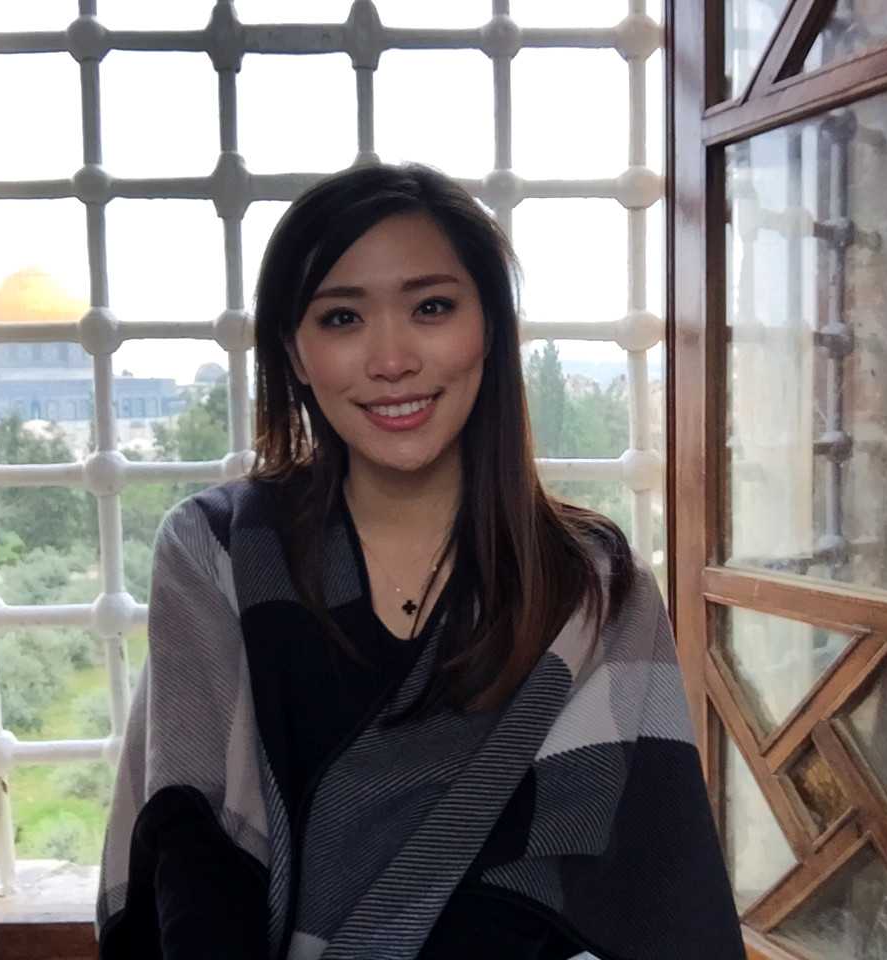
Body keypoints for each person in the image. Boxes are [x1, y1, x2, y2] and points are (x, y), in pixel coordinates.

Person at [97, 163, 744, 960]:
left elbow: (597, 873)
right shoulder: (220, 549)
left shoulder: (591, 586)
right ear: (294, 352)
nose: (392, 359)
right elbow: (197, 844)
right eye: (341, 317)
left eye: (431, 307)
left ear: (491, 327)